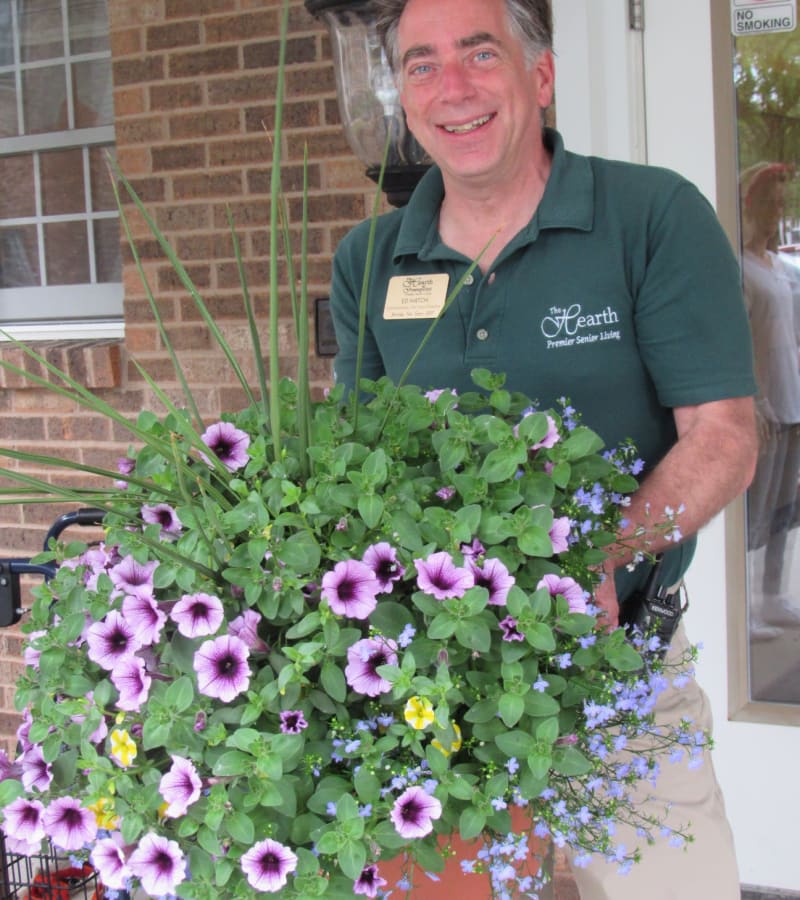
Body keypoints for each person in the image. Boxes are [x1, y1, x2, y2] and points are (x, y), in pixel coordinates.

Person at [328, 0, 758, 897]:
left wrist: (598, 562)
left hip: (622, 671)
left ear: (542, 75)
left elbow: (721, 439)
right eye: (422, 64)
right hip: (433, 689)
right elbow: (353, 463)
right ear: (404, 99)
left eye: (481, 53)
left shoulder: (652, 215)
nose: (454, 88)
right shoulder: (370, 259)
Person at [740, 162, 800, 638]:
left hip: (792, 400)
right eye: (771, 201)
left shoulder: (778, 266)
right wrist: (753, 402)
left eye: (782, 202)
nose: (778, 210)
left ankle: (774, 596)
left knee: (784, 510)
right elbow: (738, 341)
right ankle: (747, 607)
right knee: (755, 513)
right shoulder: (739, 267)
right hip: (763, 409)